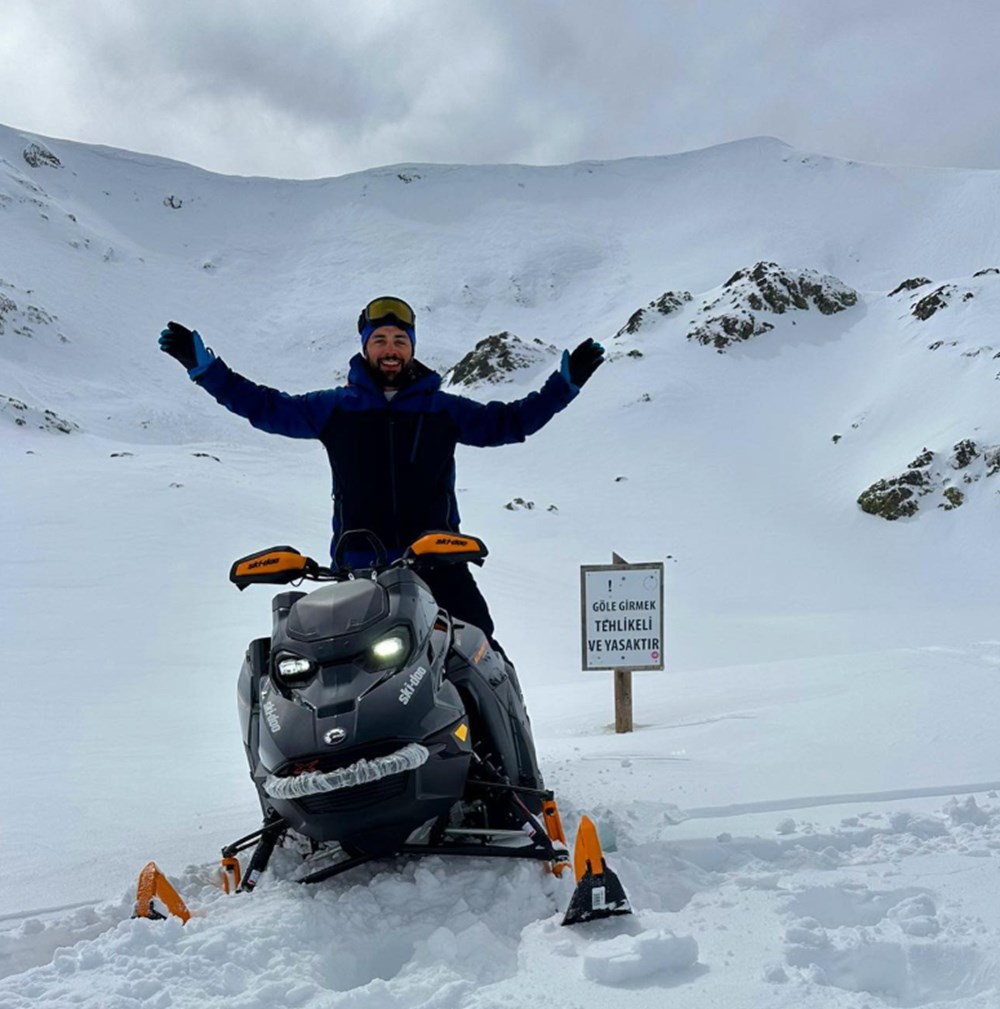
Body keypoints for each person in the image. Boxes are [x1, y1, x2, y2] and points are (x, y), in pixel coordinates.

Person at [159, 295, 604, 646]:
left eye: (399, 341)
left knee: (483, 653)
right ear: (365, 348)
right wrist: (208, 370)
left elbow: (511, 422)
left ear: (411, 348)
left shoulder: (441, 410)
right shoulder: (335, 409)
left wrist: (563, 386)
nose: (390, 350)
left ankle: (513, 759)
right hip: (359, 571)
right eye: (380, 341)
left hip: (438, 564)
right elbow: (264, 406)